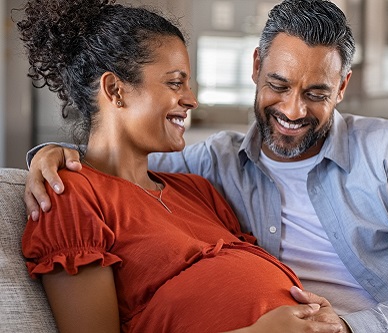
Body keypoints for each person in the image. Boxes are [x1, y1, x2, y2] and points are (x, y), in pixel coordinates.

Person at [24, 0, 388, 332]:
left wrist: (352, 326)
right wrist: (53, 154)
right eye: (278, 85)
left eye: (316, 93)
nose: (293, 111)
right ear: (255, 67)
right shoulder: (211, 163)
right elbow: (111, 158)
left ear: (343, 86)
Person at [17, 0, 348, 332]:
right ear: (115, 90)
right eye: (175, 83)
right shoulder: (71, 196)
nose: (192, 99)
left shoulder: (196, 189)